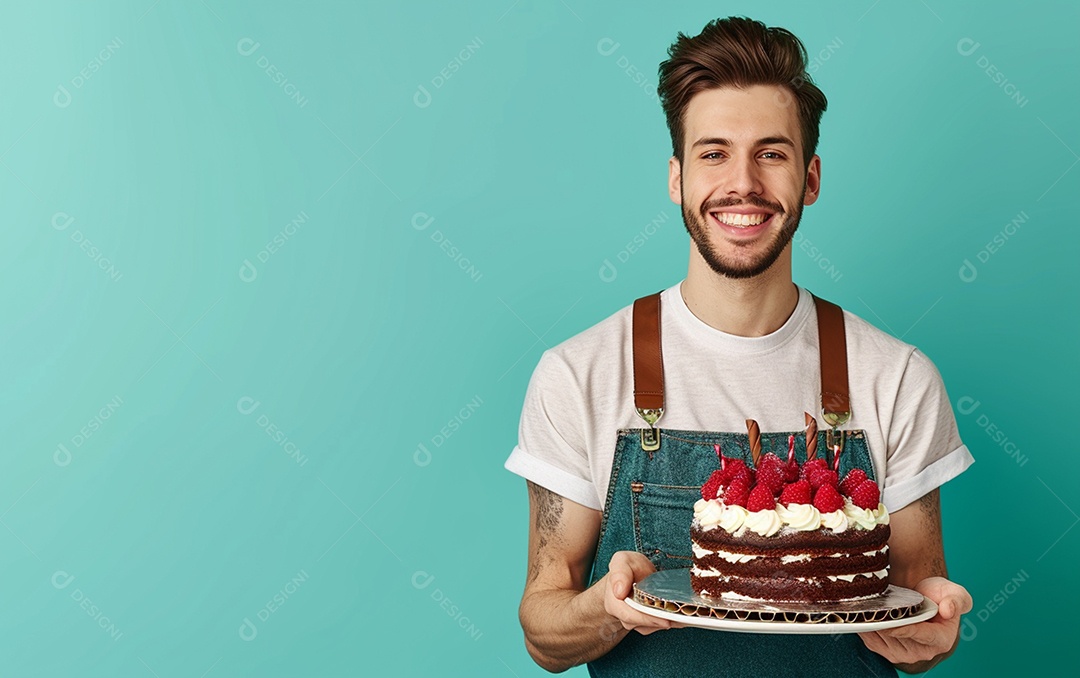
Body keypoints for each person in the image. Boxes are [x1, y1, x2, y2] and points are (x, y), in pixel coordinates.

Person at [504, 16, 975, 677]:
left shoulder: (898, 378)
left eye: (772, 154)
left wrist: (933, 633)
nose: (744, 184)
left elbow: (918, 605)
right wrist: (611, 607)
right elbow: (543, 632)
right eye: (714, 153)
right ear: (677, 178)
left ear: (810, 179)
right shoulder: (579, 374)